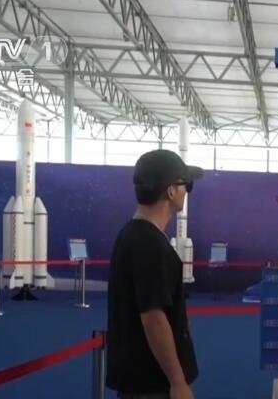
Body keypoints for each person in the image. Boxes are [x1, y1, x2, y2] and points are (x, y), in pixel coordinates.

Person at [105, 149, 204, 399]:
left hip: (139, 379)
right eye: (186, 185)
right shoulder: (151, 245)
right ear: (171, 191)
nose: (186, 191)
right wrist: (178, 382)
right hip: (152, 384)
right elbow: (153, 318)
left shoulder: (131, 235)